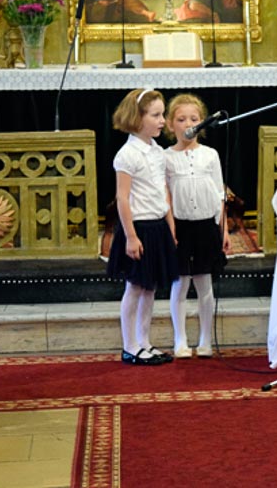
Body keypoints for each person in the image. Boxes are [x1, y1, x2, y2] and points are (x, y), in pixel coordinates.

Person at [107, 88, 178, 366]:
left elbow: (162, 192)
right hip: (138, 228)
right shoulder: (127, 154)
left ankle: (144, 341)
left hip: (158, 226)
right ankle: (129, 346)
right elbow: (122, 198)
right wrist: (131, 237)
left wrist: (170, 227)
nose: (162, 121)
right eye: (156, 115)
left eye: (163, 115)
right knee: (135, 288)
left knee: (151, 288)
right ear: (138, 118)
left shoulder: (157, 151)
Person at [164, 94, 229, 358]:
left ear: (202, 123)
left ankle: (205, 340)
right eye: (181, 119)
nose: (188, 124)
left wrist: (223, 228)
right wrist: (170, 229)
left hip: (206, 226)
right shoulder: (166, 158)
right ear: (171, 125)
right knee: (180, 284)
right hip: (180, 227)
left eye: (194, 119)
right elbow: (166, 196)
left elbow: (219, 193)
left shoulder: (210, 155)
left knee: (204, 283)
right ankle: (180, 340)